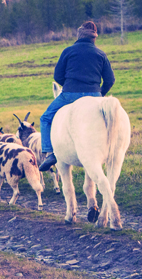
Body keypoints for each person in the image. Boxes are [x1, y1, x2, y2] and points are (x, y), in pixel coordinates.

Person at [38, 20, 115, 172]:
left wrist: (68, 85)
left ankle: (49, 153)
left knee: (45, 118)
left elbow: (58, 76)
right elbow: (110, 80)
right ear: (94, 38)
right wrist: (99, 94)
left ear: (79, 35)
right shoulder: (101, 54)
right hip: (95, 95)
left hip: (70, 94)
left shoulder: (68, 51)